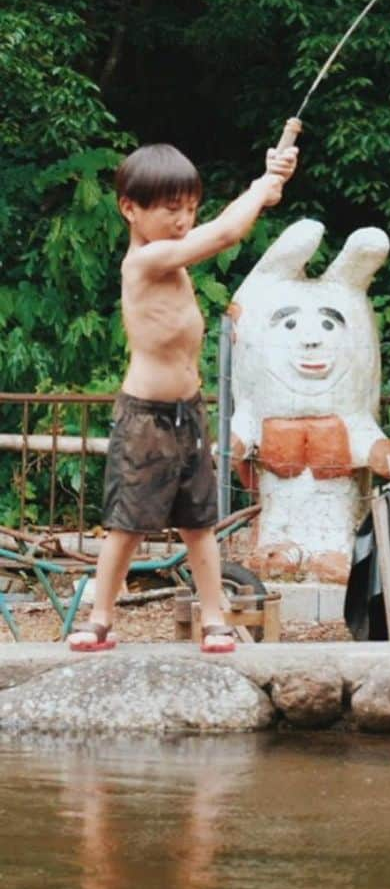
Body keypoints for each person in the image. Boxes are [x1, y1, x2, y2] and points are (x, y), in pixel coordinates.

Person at [68, 129, 299, 654]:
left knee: (199, 521)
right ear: (130, 208)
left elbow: (220, 227)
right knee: (126, 523)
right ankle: (100, 616)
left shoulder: (170, 254)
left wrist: (267, 185)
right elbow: (222, 235)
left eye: (191, 207)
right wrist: (262, 185)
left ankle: (213, 617)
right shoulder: (146, 261)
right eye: (172, 209)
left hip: (187, 412)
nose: (183, 220)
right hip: (145, 416)